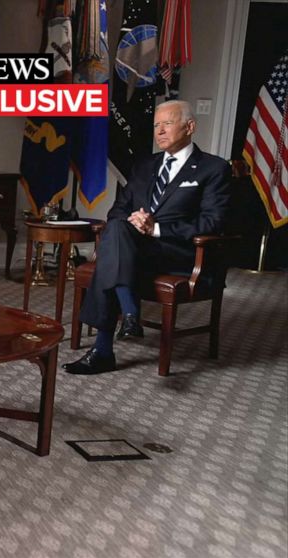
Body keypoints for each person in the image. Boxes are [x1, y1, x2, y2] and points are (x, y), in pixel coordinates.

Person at [64, 99, 232, 375]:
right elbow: (118, 209)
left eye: (167, 123)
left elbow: (212, 222)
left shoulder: (213, 169)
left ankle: (107, 345)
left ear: (190, 127)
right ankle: (129, 315)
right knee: (118, 228)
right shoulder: (144, 166)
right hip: (135, 248)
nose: (160, 131)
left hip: (178, 252)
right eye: (156, 125)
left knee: (111, 253)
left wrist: (155, 229)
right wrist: (135, 220)